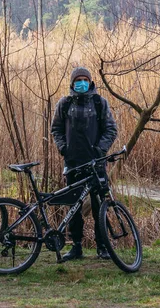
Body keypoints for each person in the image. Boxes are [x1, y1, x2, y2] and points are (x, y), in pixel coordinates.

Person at [51, 66, 118, 261]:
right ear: (72, 83)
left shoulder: (99, 103)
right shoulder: (64, 104)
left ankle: (102, 246)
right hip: (72, 163)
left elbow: (111, 129)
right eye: (78, 80)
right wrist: (64, 148)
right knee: (73, 206)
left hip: (96, 164)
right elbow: (56, 129)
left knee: (99, 206)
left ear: (90, 82)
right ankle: (76, 246)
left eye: (85, 80)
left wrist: (100, 150)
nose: (82, 83)